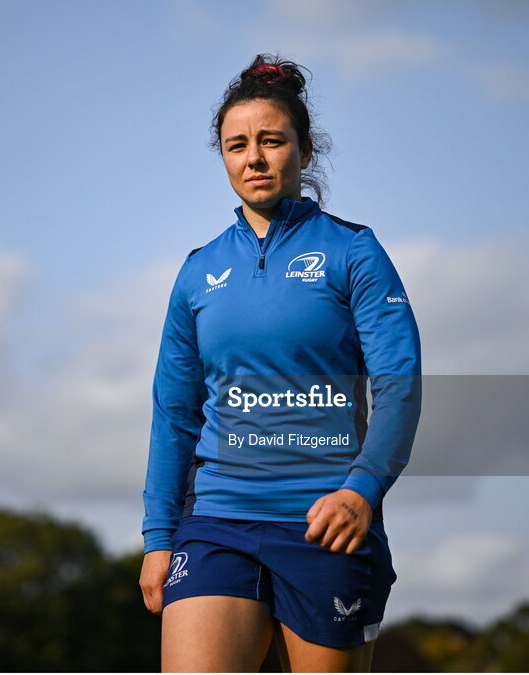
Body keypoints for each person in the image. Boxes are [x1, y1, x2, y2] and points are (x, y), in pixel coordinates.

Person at [138, 54, 422, 672]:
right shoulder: (197, 271)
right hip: (215, 524)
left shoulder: (354, 252)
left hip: (325, 523)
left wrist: (362, 491)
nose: (254, 159)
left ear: (304, 147)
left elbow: (399, 385)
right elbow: (174, 414)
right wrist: (160, 537)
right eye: (236, 145)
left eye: (271, 141)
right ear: (223, 156)